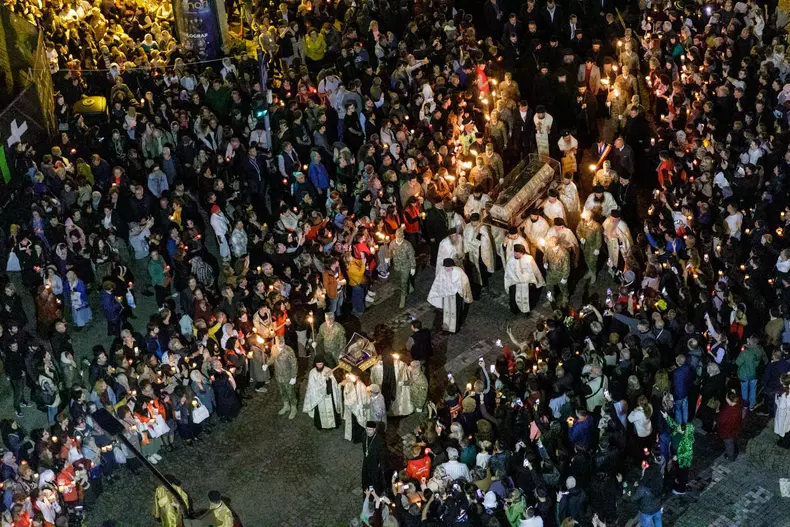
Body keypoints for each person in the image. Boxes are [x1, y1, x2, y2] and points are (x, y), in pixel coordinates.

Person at [427, 258, 473, 333]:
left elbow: (465, 282)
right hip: (446, 296)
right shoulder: (442, 271)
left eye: (449, 267)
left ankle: (455, 328)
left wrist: (461, 291)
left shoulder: (459, 272)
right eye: (446, 267)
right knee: (447, 311)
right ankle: (447, 326)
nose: (447, 269)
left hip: (456, 296)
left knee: (456, 312)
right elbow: (438, 282)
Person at [302, 355, 342, 429]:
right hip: (318, 397)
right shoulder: (312, 372)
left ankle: (332, 425)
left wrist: (328, 380)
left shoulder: (328, 370)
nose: (319, 366)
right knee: (320, 412)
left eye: (321, 364)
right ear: (315, 364)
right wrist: (322, 385)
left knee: (331, 409)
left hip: (328, 396)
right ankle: (320, 425)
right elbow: (311, 386)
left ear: (323, 363)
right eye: (318, 364)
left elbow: (334, 384)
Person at [504, 244, 545, 314]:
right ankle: (515, 310)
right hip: (515, 282)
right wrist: (516, 278)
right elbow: (508, 271)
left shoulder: (529, 259)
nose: (515, 255)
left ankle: (528, 308)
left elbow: (535, 270)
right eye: (515, 253)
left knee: (529, 296)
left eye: (517, 254)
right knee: (514, 297)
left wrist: (537, 280)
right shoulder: (511, 259)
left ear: (522, 253)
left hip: (527, 282)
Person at [266, 336, 298, 419]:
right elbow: (272, 358)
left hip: (287, 376)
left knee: (290, 392)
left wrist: (293, 376)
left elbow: (294, 364)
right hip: (278, 375)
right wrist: (267, 364)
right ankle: (286, 405)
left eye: (282, 343)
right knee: (282, 391)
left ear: (284, 342)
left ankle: (293, 408)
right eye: (279, 344)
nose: (281, 345)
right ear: (276, 343)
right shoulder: (273, 348)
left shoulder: (289, 350)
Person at [361, 421, 388, 494]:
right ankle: (366, 490)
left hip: (375, 462)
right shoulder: (364, 435)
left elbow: (382, 455)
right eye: (367, 429)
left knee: (375, 478)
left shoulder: (379, 440)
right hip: (366, 460)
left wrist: (381, 465)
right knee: (366, 476)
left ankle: (376, 492)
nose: (368, 431)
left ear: (374, 430)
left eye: (370, 430)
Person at [717, 390, 743, 460]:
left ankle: (730, 457)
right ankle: (733, 451)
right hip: (735, 428)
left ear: (728, 399)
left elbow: (720, 422)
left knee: (729, 445)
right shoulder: (738, 404)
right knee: (733, 441)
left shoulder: (727, 412)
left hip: (727, 432)